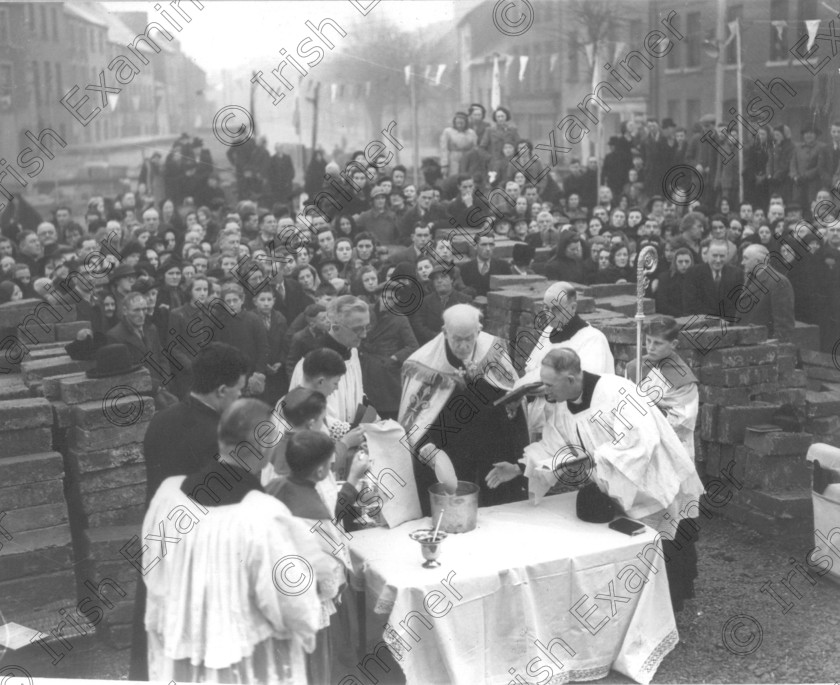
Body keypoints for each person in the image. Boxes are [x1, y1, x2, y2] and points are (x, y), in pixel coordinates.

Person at [491, 348, 705, 613]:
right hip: (620, 486)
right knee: (635, 546)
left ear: (570, 379)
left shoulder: (618, 391)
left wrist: (597, 458)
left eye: (549, 384)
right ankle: (642, 609)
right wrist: (519, 465)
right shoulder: (560, 409)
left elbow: (641, 441)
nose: (545, 392)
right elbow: (555, 448)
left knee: (668, 545)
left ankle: (669, 609)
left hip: (655, 480)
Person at [142, 399, 334, 683]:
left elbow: (152, 567)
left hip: (184, 650)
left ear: (221, 438)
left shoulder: (168, 495)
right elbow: (293, 605)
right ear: (266, 448)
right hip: (246, 663)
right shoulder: (263, 516)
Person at [129, 342, 249, 681]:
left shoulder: (161, 421)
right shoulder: (221, 439)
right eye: (240, 389)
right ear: (223, 390)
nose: (242, 397)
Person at [399, 304, 529, 514]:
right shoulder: (422, 363)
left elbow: (510, 398)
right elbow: (414, 420)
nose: (463, 345)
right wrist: (428, 449)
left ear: (478, 331)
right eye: (457, 339)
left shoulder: (492, 351)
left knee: (497, 507)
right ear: (444, 332)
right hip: (447, 446)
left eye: (469, 338)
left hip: (490, 443)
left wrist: (480, 382)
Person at [517, 282, 614, 437]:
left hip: (571, 424)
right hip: (541, 417)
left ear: (573, 308)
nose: (548, 315)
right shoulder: (548, 331)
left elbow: (583, 383)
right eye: (545, 308)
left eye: (555, 309)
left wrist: (546, 385)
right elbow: (531, 368)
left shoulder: (593, 338)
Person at [625, 317, 700, 461]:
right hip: (637, 444)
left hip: (669, 446)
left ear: (673, 344)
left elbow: (683, 419)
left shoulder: (682, 378)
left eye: (658, 343)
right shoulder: (635, 367)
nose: (651, 347)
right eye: (648, 341)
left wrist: (647, 424)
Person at [289, 295, 371, 423]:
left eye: (367, 327)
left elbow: (357, 394)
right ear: (336, 327)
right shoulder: (312, 362)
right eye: (358, 329)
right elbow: (308, 415)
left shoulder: (353, 352)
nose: (364, 335)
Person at [358, 284, 419, 419]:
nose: (387, 301)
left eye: (391, 298)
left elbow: (412, 346)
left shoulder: (400, 319)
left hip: (385, 372)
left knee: (389, 410)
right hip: (365, 366)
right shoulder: (366, 311)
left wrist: (394, 358)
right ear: (378, 296)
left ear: (397, 300)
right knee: (366, 409)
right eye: (384, 296)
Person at [739, 243, 795, 341]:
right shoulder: (750, 278)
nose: (742, 262)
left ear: (758, 261)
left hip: (763, 346)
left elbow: (783, 327)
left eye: (746, 258)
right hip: (748, 342)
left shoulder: (778, 282)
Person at [411, 264, 473, 344]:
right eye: (436, 278)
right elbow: (418, 325)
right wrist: (437, 337)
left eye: (443, 277)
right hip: (432, 343)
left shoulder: (464, 300)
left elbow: (471, 324)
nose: (439, 281)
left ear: (451, 280)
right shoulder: (425, 302)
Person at [684, 239, 742, 321]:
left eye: (722, 256)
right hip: (702, 323)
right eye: (714, 256)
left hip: (727, 324)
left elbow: (736, 303)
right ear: (707, 255)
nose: (718, 260)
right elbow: (691, 303)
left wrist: (726, 320)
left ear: (727, 255)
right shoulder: (694, 273)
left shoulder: (736, 274)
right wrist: (714, 321)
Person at [655, 247, 694, 317]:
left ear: (691, 262)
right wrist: (681, 315)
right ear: (675, 262)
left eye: (687, 261)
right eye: (680, 262)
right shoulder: (665, 278)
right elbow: (662, 305)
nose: (684, 265)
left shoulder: (697, 278)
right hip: (672, 318)